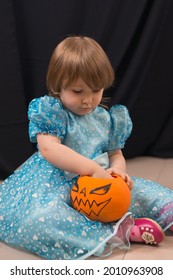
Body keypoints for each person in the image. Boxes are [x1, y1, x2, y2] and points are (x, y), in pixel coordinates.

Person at [0, 36, 172, 260]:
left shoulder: (106, 118)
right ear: (57, 87)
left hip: (100, 180)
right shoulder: (53, 112)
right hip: (56, 181)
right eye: (77, 91)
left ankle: (164, 212)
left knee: (142, 192)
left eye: (96, 90)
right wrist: (90, 168)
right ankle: (120, 230)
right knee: (40, 217)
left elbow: (115, 153)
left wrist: (117, 170)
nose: (88, 100)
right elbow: (50, 149)